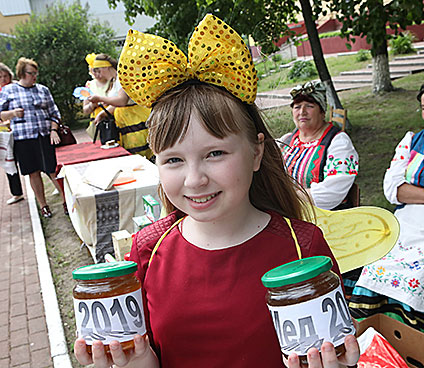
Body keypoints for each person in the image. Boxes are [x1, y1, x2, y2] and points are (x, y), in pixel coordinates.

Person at [74, 14, 360, 368]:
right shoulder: (147, 250)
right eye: (174, 160)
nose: (195, 180)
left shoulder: (304, 248)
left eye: (215, 154)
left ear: (256, 152)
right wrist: (136, 361)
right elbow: (149, 354)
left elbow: (335, 350)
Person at [349, 75, 424, 351]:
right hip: (409, 222)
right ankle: (378, 331)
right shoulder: (410, 140)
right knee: (379, 264)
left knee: (421, 273)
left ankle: (416, 337)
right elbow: (392, 189)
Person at [0, 57, 66, 217]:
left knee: (53, 170)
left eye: (36, 73)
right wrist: (12, 114)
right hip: (24, 139)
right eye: (31, 73)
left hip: (44, 136)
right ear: (22, 73)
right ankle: (43, 206)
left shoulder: (43, 90)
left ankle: (66, 201)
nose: (35, 76)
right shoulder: (9, 90)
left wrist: (54, 130)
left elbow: (54, 113)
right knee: (33, 172)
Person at [280, 81, 359, 210]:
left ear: (322, 112)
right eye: (297, 107)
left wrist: (285, 198)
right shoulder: (288, 140)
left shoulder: (338, 143)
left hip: (324, 218)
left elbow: (332, 192)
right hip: (288, 212)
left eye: (309, 106)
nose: (302, 112)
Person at [86, 53, 153, 159]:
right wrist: (103, 113)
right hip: (124, 121)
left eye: (99, 71)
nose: (99, 75)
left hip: (134, 118)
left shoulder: (122, 78)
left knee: (139, 152)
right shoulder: (114, 81)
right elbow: (117, 104)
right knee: (130, 152)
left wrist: (100, 98)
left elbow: (122, 101)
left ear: (106, 67)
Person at [0, 62, 24, 205]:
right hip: (4, 134)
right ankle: (17, 193)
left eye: (5, 76)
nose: (3, 79)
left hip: (19, 129)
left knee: (29, 159)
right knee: (9, 162)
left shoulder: (16, 87)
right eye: (0, 77)